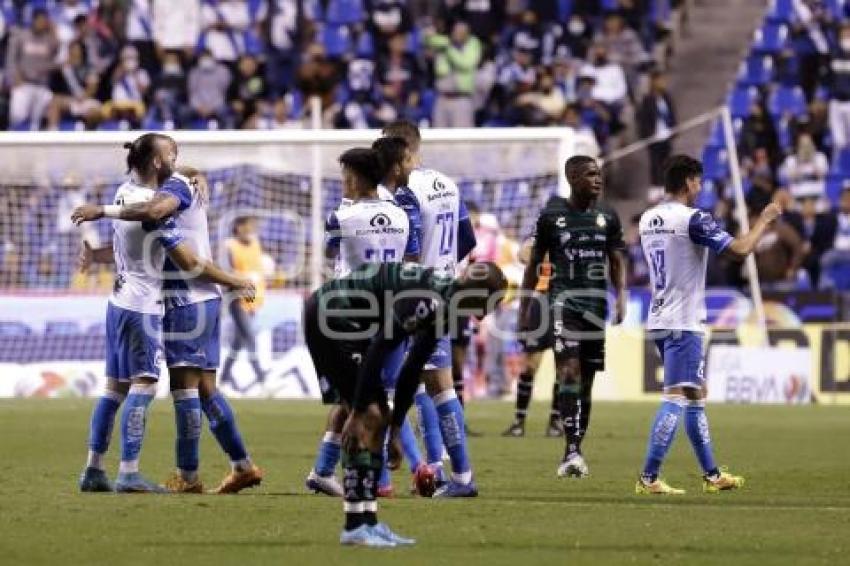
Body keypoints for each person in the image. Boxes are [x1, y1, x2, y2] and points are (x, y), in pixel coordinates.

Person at [73, 133, 255, 493]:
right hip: (164, 302)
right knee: (186, 389)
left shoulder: (130, 190)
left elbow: (160, 209)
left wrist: (97, 247)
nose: (178, 158)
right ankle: (204, 469)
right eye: (173, 153)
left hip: (153, 301)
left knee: (163, 389)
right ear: (158, 162)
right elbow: (181, 253)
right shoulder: (153, 201)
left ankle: (114, 470)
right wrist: (235, 280)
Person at [303, 260, 507, 546]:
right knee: (370, 415)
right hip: (332, 317)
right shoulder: (432, 300)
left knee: (379, 416)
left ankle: (368, 523)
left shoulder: (445, 302)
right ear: (480, 294)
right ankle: (354, 526)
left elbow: (412, 367)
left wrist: (396, 427)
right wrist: (358, 407)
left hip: (350, 322)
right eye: (489, 304)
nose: (484, 316)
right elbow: (382, 346)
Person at [636, 154, 781, 495]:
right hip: (684, 321)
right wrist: (765, 220)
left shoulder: (647, 218)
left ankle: (712, 475)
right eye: (698, 182)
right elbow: (741, 250)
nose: (700, 188)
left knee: (694, 393)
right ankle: (648, 477)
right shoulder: (693, 219)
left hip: (658, 315)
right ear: (688, 182)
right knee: (675, 396)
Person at [305, 141, 419, 497]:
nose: (342, 181)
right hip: (388, 312)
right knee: (363, 399)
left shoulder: (341, 218)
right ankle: (330, 473)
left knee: (358, 402)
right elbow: (410, 259)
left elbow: (330, 253)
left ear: (354, 178)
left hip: (347, 314)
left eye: (344, 175)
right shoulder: (401, 215)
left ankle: (364, 481)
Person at [384, 119, 479, 497]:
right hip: (442, 290)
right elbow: (466, 239)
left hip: (411, 296)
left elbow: (405, 249)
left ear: (398, 149)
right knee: (437, 385)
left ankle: (440, 470)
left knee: (409, 386)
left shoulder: (402, 190)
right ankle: (447, 471)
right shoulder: (447, 184)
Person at [519, 155, 627, 478]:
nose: (598, 179)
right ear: (573, 178)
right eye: (591, 174)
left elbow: (616, 260)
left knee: (587, 383)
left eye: (599, 174)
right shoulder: (552, 215)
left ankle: (577, 443)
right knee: (568, 372)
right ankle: (571, 451)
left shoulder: (608, 215)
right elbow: (534, 262)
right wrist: (526, 308)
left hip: (595, 308)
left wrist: (621, 297)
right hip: (562, 306)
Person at [502, 238, 561, 438]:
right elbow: (523, 254)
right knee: (530, 366)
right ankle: (519, 422)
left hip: (563, 302)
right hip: (539, 301)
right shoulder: (538, 237)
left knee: (564, 368)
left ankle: (555, 423)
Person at [5, 8, 59, 130]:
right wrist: (14, 77)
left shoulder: (49, 39)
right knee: (17, 115)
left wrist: (54, 33)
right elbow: (11, 59)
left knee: (39, 120)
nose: (42, 23)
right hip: (23, 83)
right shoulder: (22, 36)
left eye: (44, 21)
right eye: (40, 20)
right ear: (33, 20)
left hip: (42, 85)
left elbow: (58, 57)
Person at [426, 20, 482, 128]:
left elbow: (465, 63)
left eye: (461, 32)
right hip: (442, 98)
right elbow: (429, 40)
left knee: (462, 138)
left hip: (461, 99)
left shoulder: (473, 45)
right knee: (439, 136)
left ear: (467, 34)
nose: (457, 34)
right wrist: (429, 35)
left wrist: (448, 49)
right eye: (455, 31)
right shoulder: (447, 42)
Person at [638, 71, 677, 189]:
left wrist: (674, 128)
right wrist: (647, 135)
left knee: (667, 162)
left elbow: (672, 114)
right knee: (655, 163)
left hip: (666, 134)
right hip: (654, 136)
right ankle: (655, 186)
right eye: (659, 80)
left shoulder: (666, 97)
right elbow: (643, 119)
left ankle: (666, 185)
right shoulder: (647, 100)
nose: (662, 83)